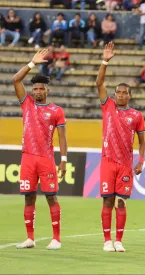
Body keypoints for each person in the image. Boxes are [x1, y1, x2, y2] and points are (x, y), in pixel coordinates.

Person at [13, 50, 67, 250]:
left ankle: (56, 238)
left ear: (47, 91)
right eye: (34, 89)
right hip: (27, 158)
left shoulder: (56, 111)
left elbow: (62, 137)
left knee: (51, 196)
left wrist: (63, 159)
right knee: (29, 196)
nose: (37, 92)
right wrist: (31, 64)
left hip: (46, 159)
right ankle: (30, 238)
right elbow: (16, 80)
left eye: (41, 89)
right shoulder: (26, 104)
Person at [95, 42, 145, 253]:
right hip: (108, 161)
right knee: (107, 201)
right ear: (114, 95)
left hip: (126, 164)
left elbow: (142, 142)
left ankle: (119, 240)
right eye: (118, 92)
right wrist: (105, 61)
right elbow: (99, 84)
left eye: (125, 92)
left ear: (130, 95)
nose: (121, 95)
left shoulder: (137, 116)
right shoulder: (107, 106)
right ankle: (107, 240)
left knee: (121, 202)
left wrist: (141, 161)